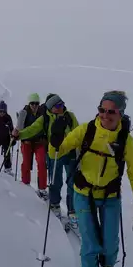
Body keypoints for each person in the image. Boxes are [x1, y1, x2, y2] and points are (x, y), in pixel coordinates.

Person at [56, 91, 133, 267]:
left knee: (110, 241)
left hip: (110, 196)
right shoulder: (87, 130)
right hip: (83, 193)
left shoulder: (125, 140)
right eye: (101, 110)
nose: (105, 115)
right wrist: (56, 138)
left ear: (120, 114)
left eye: (111, 111)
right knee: (90, 241)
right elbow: (61, 148)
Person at [20, 94, 79, 224]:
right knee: (55, 180)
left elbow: (78, 132)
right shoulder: (45, 118)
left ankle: (72, 209)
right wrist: (19, 135)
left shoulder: (70, 116)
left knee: (72, 183)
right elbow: (32, 129)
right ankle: (55, 203)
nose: (61, 107)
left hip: (71, 153)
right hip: (54, 153)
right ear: (51, 108)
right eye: (57, 105)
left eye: (62, 104)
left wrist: (80, 151)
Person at [13, 93, 48, 198]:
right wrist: (16, 134)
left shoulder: (43, 113)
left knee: (42, 163)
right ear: (29, 104)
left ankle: (42, 188)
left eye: (36, 103)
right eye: (32, 103)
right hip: (27, 141)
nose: (34, 106)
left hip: (39, 141)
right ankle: (25, 184)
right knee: (27, 163)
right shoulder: (24, 113)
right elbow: (19, 127)